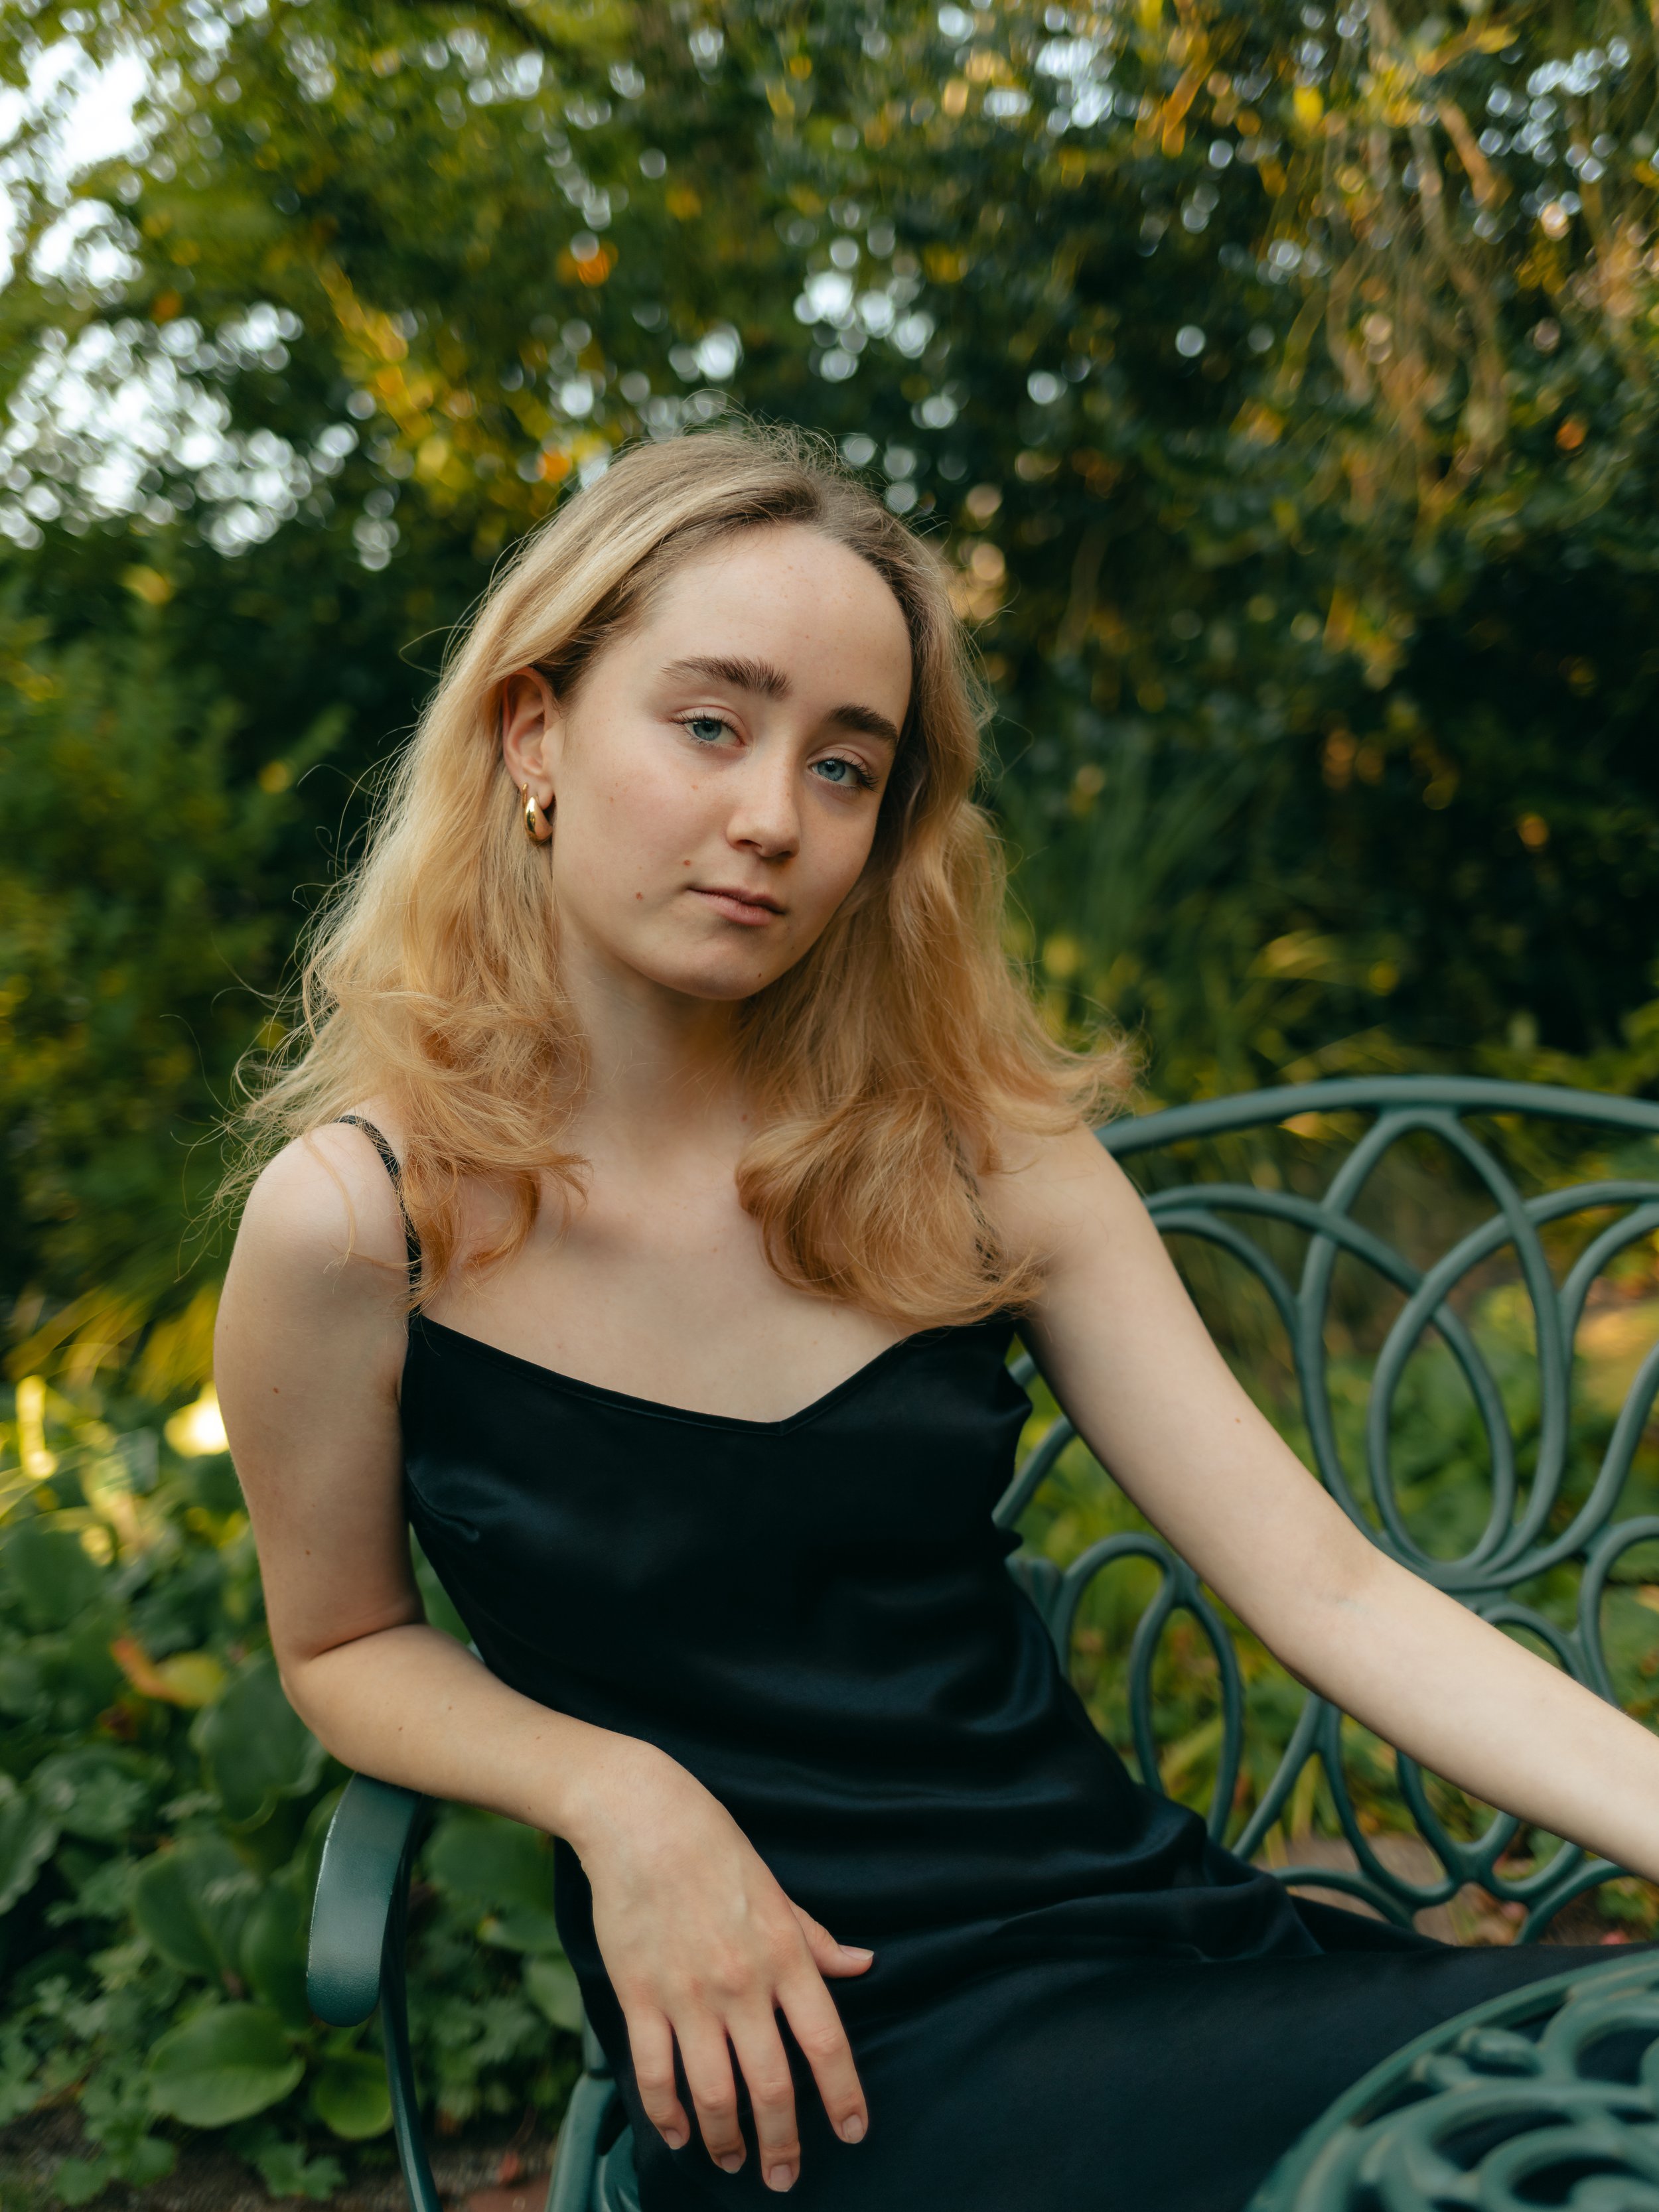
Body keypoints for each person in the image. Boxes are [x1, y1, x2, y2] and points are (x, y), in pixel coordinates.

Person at [215, 427, 1656, 2212]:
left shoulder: (972, 1159)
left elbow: (1330, 1593)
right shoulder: (364, 1224)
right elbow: (345, 1645)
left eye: (845, 766)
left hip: (1153, 1954)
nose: (773, 816)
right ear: (534, 736)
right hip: (797, 2064)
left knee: (1585, 2095)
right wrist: (619, 1796)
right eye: (710, 724)